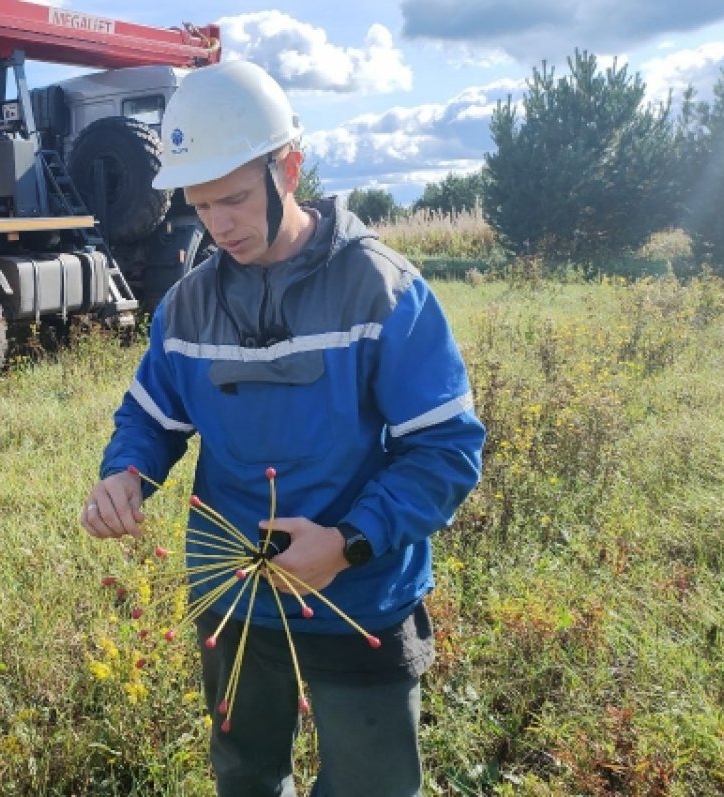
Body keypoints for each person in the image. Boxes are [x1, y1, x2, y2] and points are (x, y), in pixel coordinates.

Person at [80, 59, 486, 797]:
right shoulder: (188, 306)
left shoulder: (383, 290)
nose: (218, 224)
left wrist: (347, 542)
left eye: (233, 199)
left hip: (358, 599)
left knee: (373, 785)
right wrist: (125, 473)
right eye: (200, 206)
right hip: (234, 596)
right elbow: (151, 413)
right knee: (245, 773)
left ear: (288, 167)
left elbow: (446, 449)